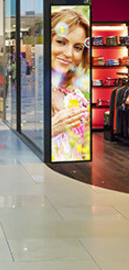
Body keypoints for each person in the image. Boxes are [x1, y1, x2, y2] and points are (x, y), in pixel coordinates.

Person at [51, 8, 90, 161]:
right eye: (61, 42)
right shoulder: (29, 92)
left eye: (77, 47)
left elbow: (83, 150)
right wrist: (51, 129)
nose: (68, 53)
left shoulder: (77, 98)